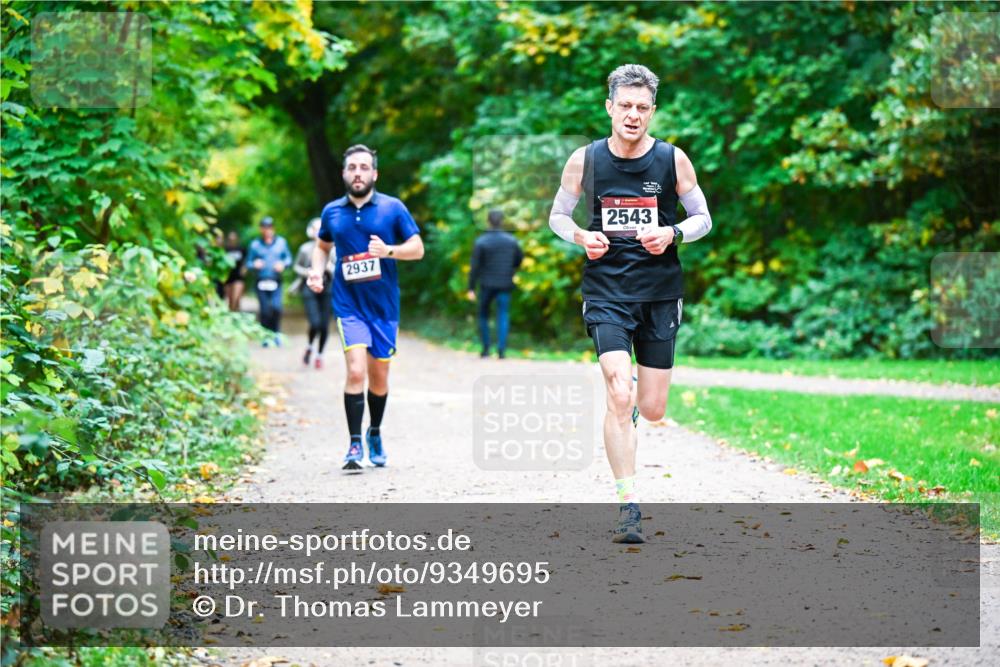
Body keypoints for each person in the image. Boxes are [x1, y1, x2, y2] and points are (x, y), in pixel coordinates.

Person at [548, 64, 713, 543]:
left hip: (660, 294)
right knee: (619, 391)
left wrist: (674, 231)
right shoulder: (585, 160)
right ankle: (628, 506)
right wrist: (581, 235)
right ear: (609, 108)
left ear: (653, 111)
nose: (633, 115)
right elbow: (558, 216)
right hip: (605, 292)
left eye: (643, 108)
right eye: (625, 106)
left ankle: (634, 409)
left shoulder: (673, 160)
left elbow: (703, 217)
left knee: (653, 407)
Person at [309, 145, 424, 470]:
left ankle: (374, 431)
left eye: (363, 167)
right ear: (344, 173)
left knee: (379, 377)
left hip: (384, 306)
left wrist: (388, 251)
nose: (357, 173)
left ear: (374, 174)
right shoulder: (332, 211)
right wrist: (317, 270)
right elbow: (322, 246)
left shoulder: (392, 208)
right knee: (355, 371)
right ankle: (354, 444)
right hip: (349, 305)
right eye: (351, 168)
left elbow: (417, 249)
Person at [467, 209, 523, 359]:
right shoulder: (511, 241)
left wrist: (471, 288)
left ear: (488, 221)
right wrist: (511, 270)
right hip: (505, 283)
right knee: (503, 315)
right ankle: (501, 351)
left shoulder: (481, 241)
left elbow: (475, 267)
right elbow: (519, 259)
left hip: (486, 284)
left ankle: (485, 349)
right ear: (502, 221)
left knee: (483, 315)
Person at [292, 218, 334, 369]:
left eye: (321, 228)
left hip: (328, 288)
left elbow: (340, 271)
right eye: (316, 229)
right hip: (308, 288)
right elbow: (296, 267)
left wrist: (328, 268)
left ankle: (320, 355)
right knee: (315, 323)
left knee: (324, 325)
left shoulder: (334, 250)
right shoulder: (305, 249)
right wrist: (309, 272)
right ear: (311, 231)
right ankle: (310, 346)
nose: (318, 232)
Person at [246, 217, 292, 346]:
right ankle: (265, 336)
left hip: (276, 280)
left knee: (277, 308)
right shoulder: (255, 244)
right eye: (265, 227)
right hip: (261, 281)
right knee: (265, 310)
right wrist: (254, 264)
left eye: (270, 227)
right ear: (261, 229)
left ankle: (276, 334)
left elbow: (288, 259)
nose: (268, 230)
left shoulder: (281, 243)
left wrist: (283, 264)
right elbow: (248, 263)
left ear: (273, 228)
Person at [222, 230, 246, 312]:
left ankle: (237, 313)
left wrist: (244, 269)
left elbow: (246, 261)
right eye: (230, 238)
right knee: (230, 300)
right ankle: (232, 316)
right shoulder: (225, 250)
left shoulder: (241, 249)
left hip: (238, 276)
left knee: (236, 298)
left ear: (237, 239)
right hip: (228, 277)